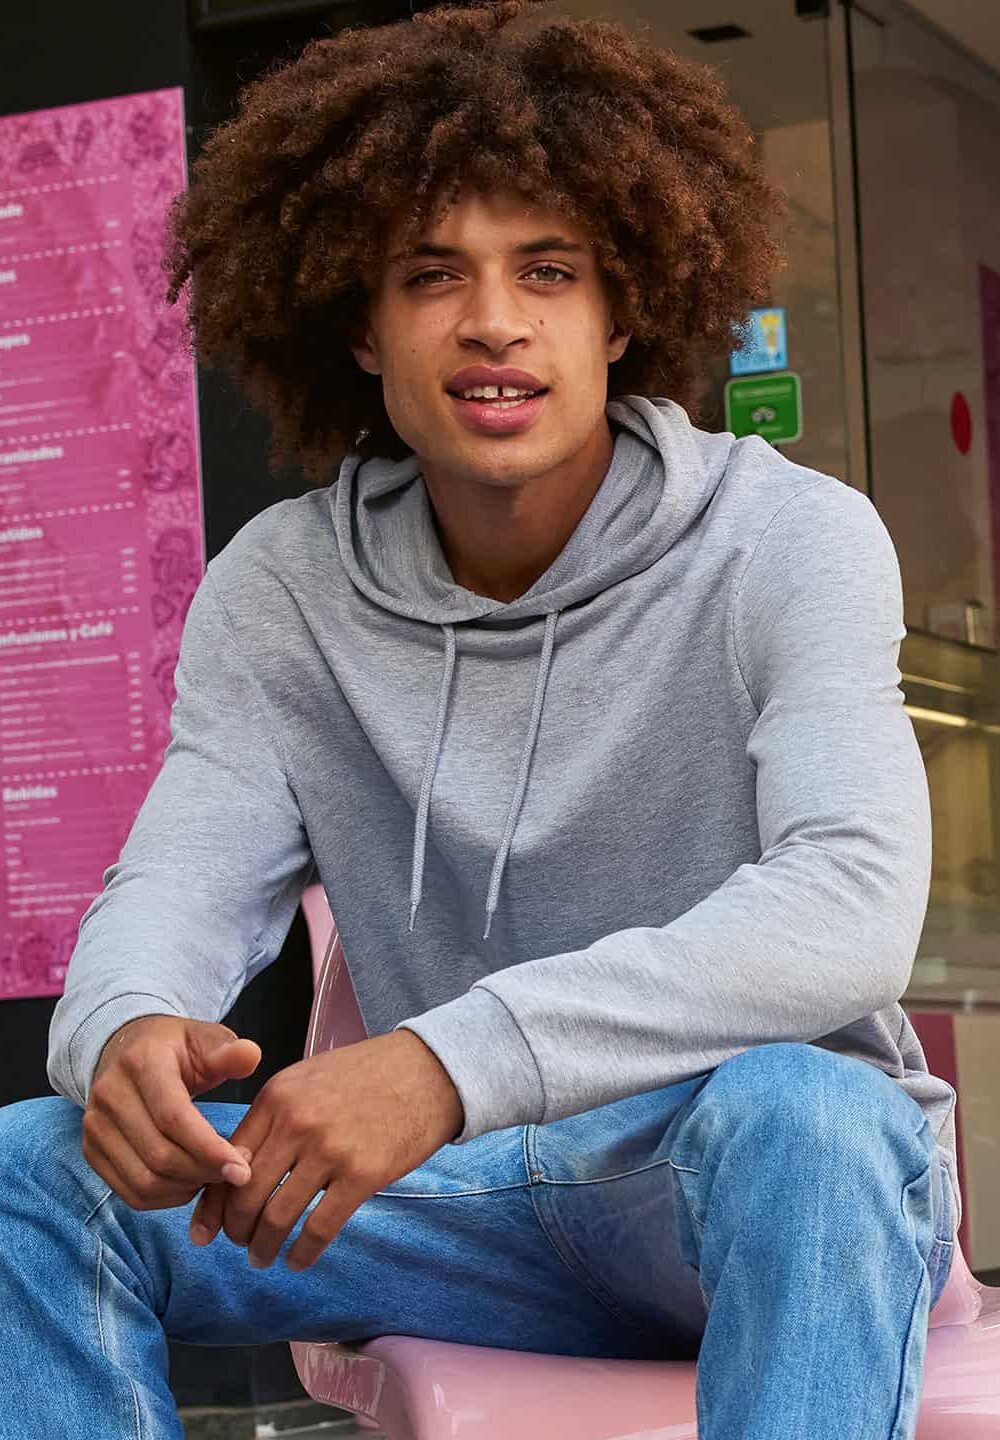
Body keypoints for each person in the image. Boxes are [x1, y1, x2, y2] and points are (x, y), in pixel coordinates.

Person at [0, 2, 959, 1436]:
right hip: (466, 1214)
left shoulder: (790, 538)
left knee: (807, 1113)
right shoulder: (286, 587)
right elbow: (184, 878)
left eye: (549, 271)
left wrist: (447, 1063)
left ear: (623, 311)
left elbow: (851, 906)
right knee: (31, 1170)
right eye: (431, 274)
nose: (495, 321)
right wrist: (125, 1029)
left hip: (736, 1185)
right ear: (362, 328)